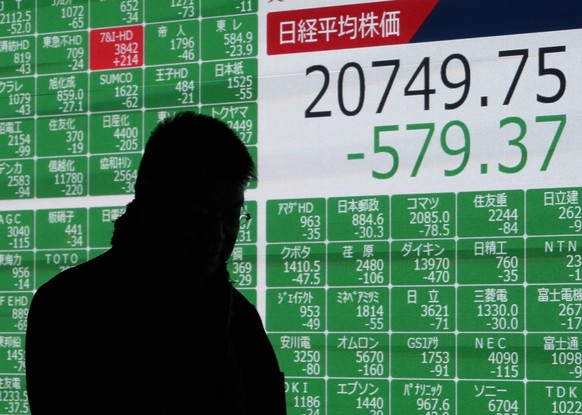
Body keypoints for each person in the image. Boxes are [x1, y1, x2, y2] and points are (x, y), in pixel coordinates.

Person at [25, 111, 287, 415]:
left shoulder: (240, 317)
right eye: (199, 213)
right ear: (148, 198)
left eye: (231, 215)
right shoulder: (70, 306)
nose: (217, 234)